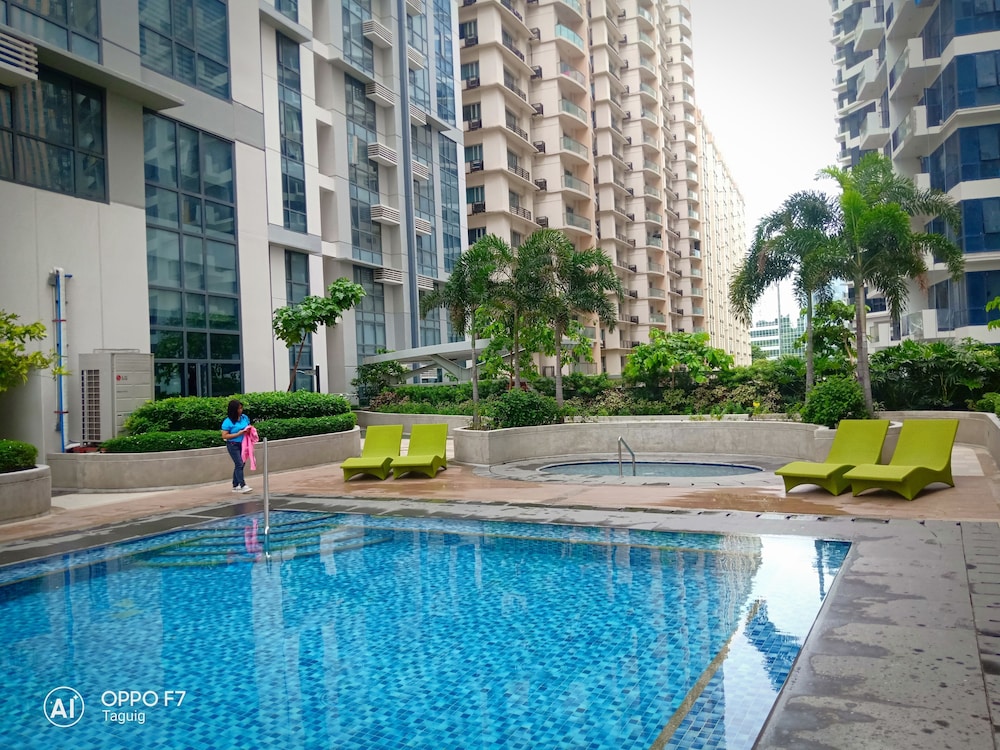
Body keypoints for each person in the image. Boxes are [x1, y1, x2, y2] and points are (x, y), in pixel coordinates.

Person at [221, 399, 252, 493]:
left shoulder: (244, 418)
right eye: (238, 409)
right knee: (239, 463)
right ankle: (242, 485)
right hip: (233, 445)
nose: (240, 410)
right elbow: (224, 436)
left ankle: (235, 484)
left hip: (244, 443)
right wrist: (238, 434)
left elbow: (248, 425)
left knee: (241, 464)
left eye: (241, 408)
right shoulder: (228, 421)